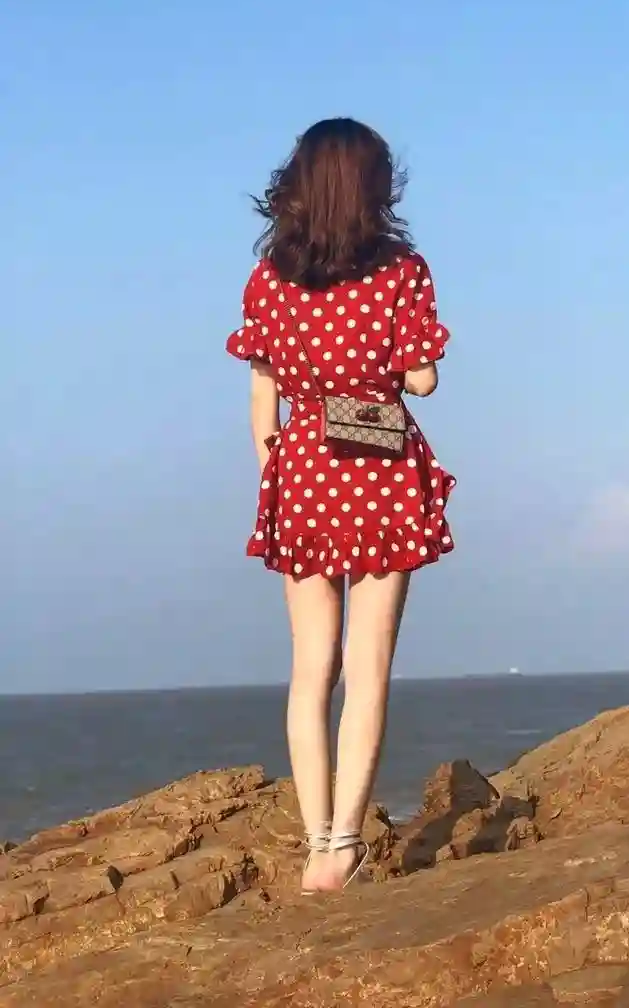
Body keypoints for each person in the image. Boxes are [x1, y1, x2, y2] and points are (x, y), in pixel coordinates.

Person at [226, 118, 455, 893]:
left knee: (310, 668)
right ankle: (344, 848)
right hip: (379, 461)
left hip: (302, 467)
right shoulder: (401, 270)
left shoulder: (269, 279)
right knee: (368, 664)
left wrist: (280, 468)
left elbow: (261, 398)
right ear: (373, 189)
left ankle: (313, 843)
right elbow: (421, 379)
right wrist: (402, 364)